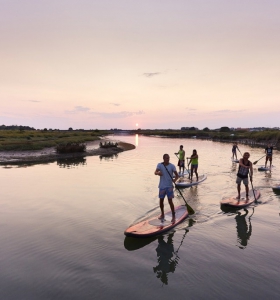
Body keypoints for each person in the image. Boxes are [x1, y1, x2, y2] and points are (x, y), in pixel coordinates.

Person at [154, 154, 179, 223]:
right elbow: (155, 172)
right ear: (163, 159)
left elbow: (177, 175)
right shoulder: (160, 165)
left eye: (168, 158)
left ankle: (173, 216)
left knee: (170, 201)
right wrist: (158, 173)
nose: (168, 160)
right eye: (166, 158)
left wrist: (174, 180)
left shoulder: (172, 166)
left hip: (169, 186)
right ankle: (162, 214)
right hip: (162, 186)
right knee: (161, 200)